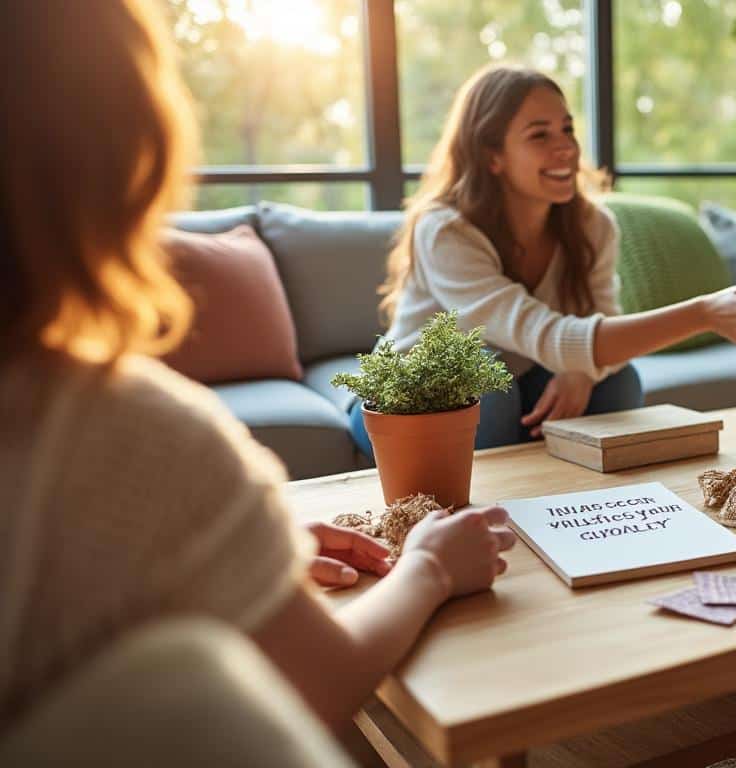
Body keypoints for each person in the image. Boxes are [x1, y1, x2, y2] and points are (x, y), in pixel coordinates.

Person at [0, 0, 516, 733]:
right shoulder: (128, 433)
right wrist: (429, 568)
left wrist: (222, 554)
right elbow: (322, 683)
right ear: (131, 150)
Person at [354, 65, 736, 454]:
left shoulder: (591, 225)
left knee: (617, 383)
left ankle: (588, 518)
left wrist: (582, 371)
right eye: (539, 135)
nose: (565, 148)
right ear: (492, 155)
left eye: (568, 129)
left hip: (515, 384)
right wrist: (705, 312)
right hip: (401, 401)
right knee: (486, 385)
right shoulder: (446, 231)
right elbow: (548, 336)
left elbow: (604, 322)